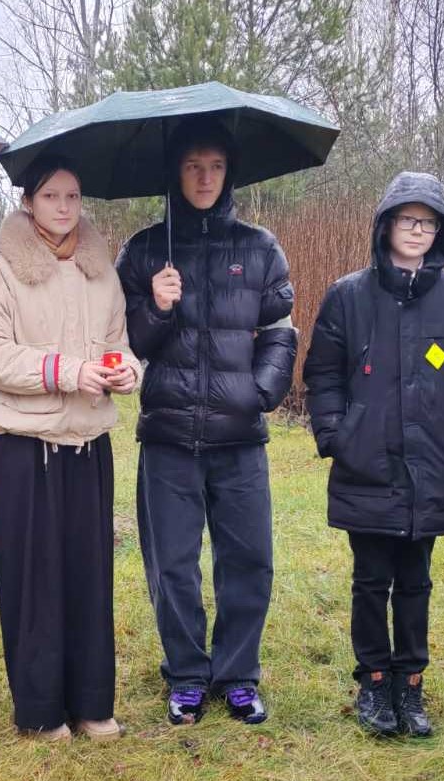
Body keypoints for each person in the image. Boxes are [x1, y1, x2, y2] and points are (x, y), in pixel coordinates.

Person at [115, 120, 297, 727]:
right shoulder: (144, 251)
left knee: (249, 559)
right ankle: (188, 674)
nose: (204, 178)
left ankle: (238, 675)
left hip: (239, 437)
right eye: (193, 165)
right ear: (176, 171)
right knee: (171, 563)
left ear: (229, 172)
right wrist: (157, 306)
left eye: (215, 166)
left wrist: (260, 392)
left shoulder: (259, 247)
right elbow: (127, 342)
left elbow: (280, 329)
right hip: (167, 435)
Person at [302, 172, 444, 739]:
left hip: (432, 463)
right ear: (385, 225)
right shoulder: (347, 295)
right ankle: (375, 681)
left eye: (428, 222)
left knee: (416, 581)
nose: (417, 230)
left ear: (442, 231)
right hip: (367, 462)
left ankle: (411, 683)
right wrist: (337, 435)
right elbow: (322, 375)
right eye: (408, 219)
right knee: (370, 579)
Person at [0, 155, 141, 741]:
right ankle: (40, 710)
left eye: (72, 195)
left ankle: (91, 703)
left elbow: (118, 340)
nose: (64, 207)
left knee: (89, 577)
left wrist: (127, 370)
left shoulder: (100, 269)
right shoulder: (0, 270)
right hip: (27, 448)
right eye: (50, 196)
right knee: (34, 581)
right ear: (28, 202)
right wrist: (66, 370)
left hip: (88, 444)